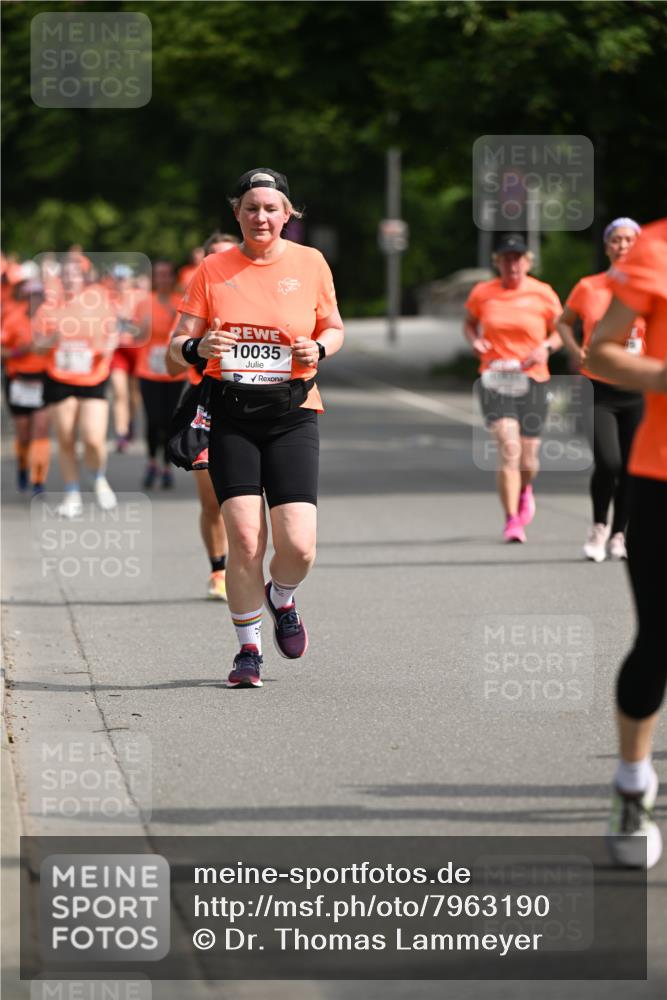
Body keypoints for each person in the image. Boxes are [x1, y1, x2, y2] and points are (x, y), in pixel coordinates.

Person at [169, 168, 344, 687]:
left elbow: (334, 327)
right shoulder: (213, 269)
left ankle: (281, 597)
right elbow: (174, 346)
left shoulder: (310, 263)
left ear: (288, 214)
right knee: (245, 539)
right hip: (232, 417)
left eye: (271, 208)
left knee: (299, 546)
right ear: (237, 213)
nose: (260, 217)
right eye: (251, 208)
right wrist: (197, 347)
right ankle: (249, 650)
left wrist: (319, 348)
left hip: (293, 414)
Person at [587, 218, 667, 869]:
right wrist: (663, 376)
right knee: (658, 640)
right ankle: (632, 783)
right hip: (661, 474)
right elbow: (601, 352)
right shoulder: (655, 248)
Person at [464, 234, 562, 543]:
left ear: (528, 262)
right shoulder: (483, 292)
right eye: (506, 259)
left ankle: (525, 488)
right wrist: (475, 341)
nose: (512, 265)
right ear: (498, 263)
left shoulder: (543, 293)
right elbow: (469, 323)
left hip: (533, 378)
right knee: (509, 448)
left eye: (517, 259)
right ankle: (512, 521)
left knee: (528, 460)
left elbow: (561, 331)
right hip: (495, 378)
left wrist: (546, 347)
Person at [557, 219, 645, 562]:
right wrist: (574, 349)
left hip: (637, 390)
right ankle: (598, 526)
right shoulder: (589, 287)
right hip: (597, 389)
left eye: (629, 240)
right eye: (616, 240)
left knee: (631, 468)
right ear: (607, 247)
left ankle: (620, 533)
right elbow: (563, 321)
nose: (622, 246)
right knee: (609, 462)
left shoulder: (650, 288)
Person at [166, 232, 241, 600]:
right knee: (212, 500)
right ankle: (219, 570)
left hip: (250, 403)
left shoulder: (258, 299)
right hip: (206, 407)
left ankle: (246, 565)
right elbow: (170, 365)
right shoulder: (195, 306)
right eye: (214, 258)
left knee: (246, 499)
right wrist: (198, 347)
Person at [32, 257, 122, 517]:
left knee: (93, 438)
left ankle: (98, 477)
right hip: (59, 377)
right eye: (66, 275)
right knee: (66, 437)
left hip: (93, 376)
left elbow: (113, 332)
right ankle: (72, 493)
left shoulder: (98, 302)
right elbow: (37, 347)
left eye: (75, 274)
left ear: (84, 278)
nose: (71, 279)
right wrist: (52, 337)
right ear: (60, 279)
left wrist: (106, 349)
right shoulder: (48, 308)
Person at [134, 260, 185, 488]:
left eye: (166, 274)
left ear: (172, 278)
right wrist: (142, 329)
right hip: (148, 370)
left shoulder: (180, 302)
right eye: (158, 275)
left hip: (174, 371)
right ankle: (151, 462)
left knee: (170, 420)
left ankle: (166, 466)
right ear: (154, 278)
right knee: (153, 419)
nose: (162, 279)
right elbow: (135, 337)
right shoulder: (145, 303)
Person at [1, 278, 51, 495]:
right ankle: (22, 466)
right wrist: (19, 351)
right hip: (18, 380)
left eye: (39, 295)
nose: (35, 300)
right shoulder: (13, 319)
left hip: (44, 379)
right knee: (23, 434)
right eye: (31, 295)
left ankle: (38, 478)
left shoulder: (52, 321)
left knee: (40, 430)